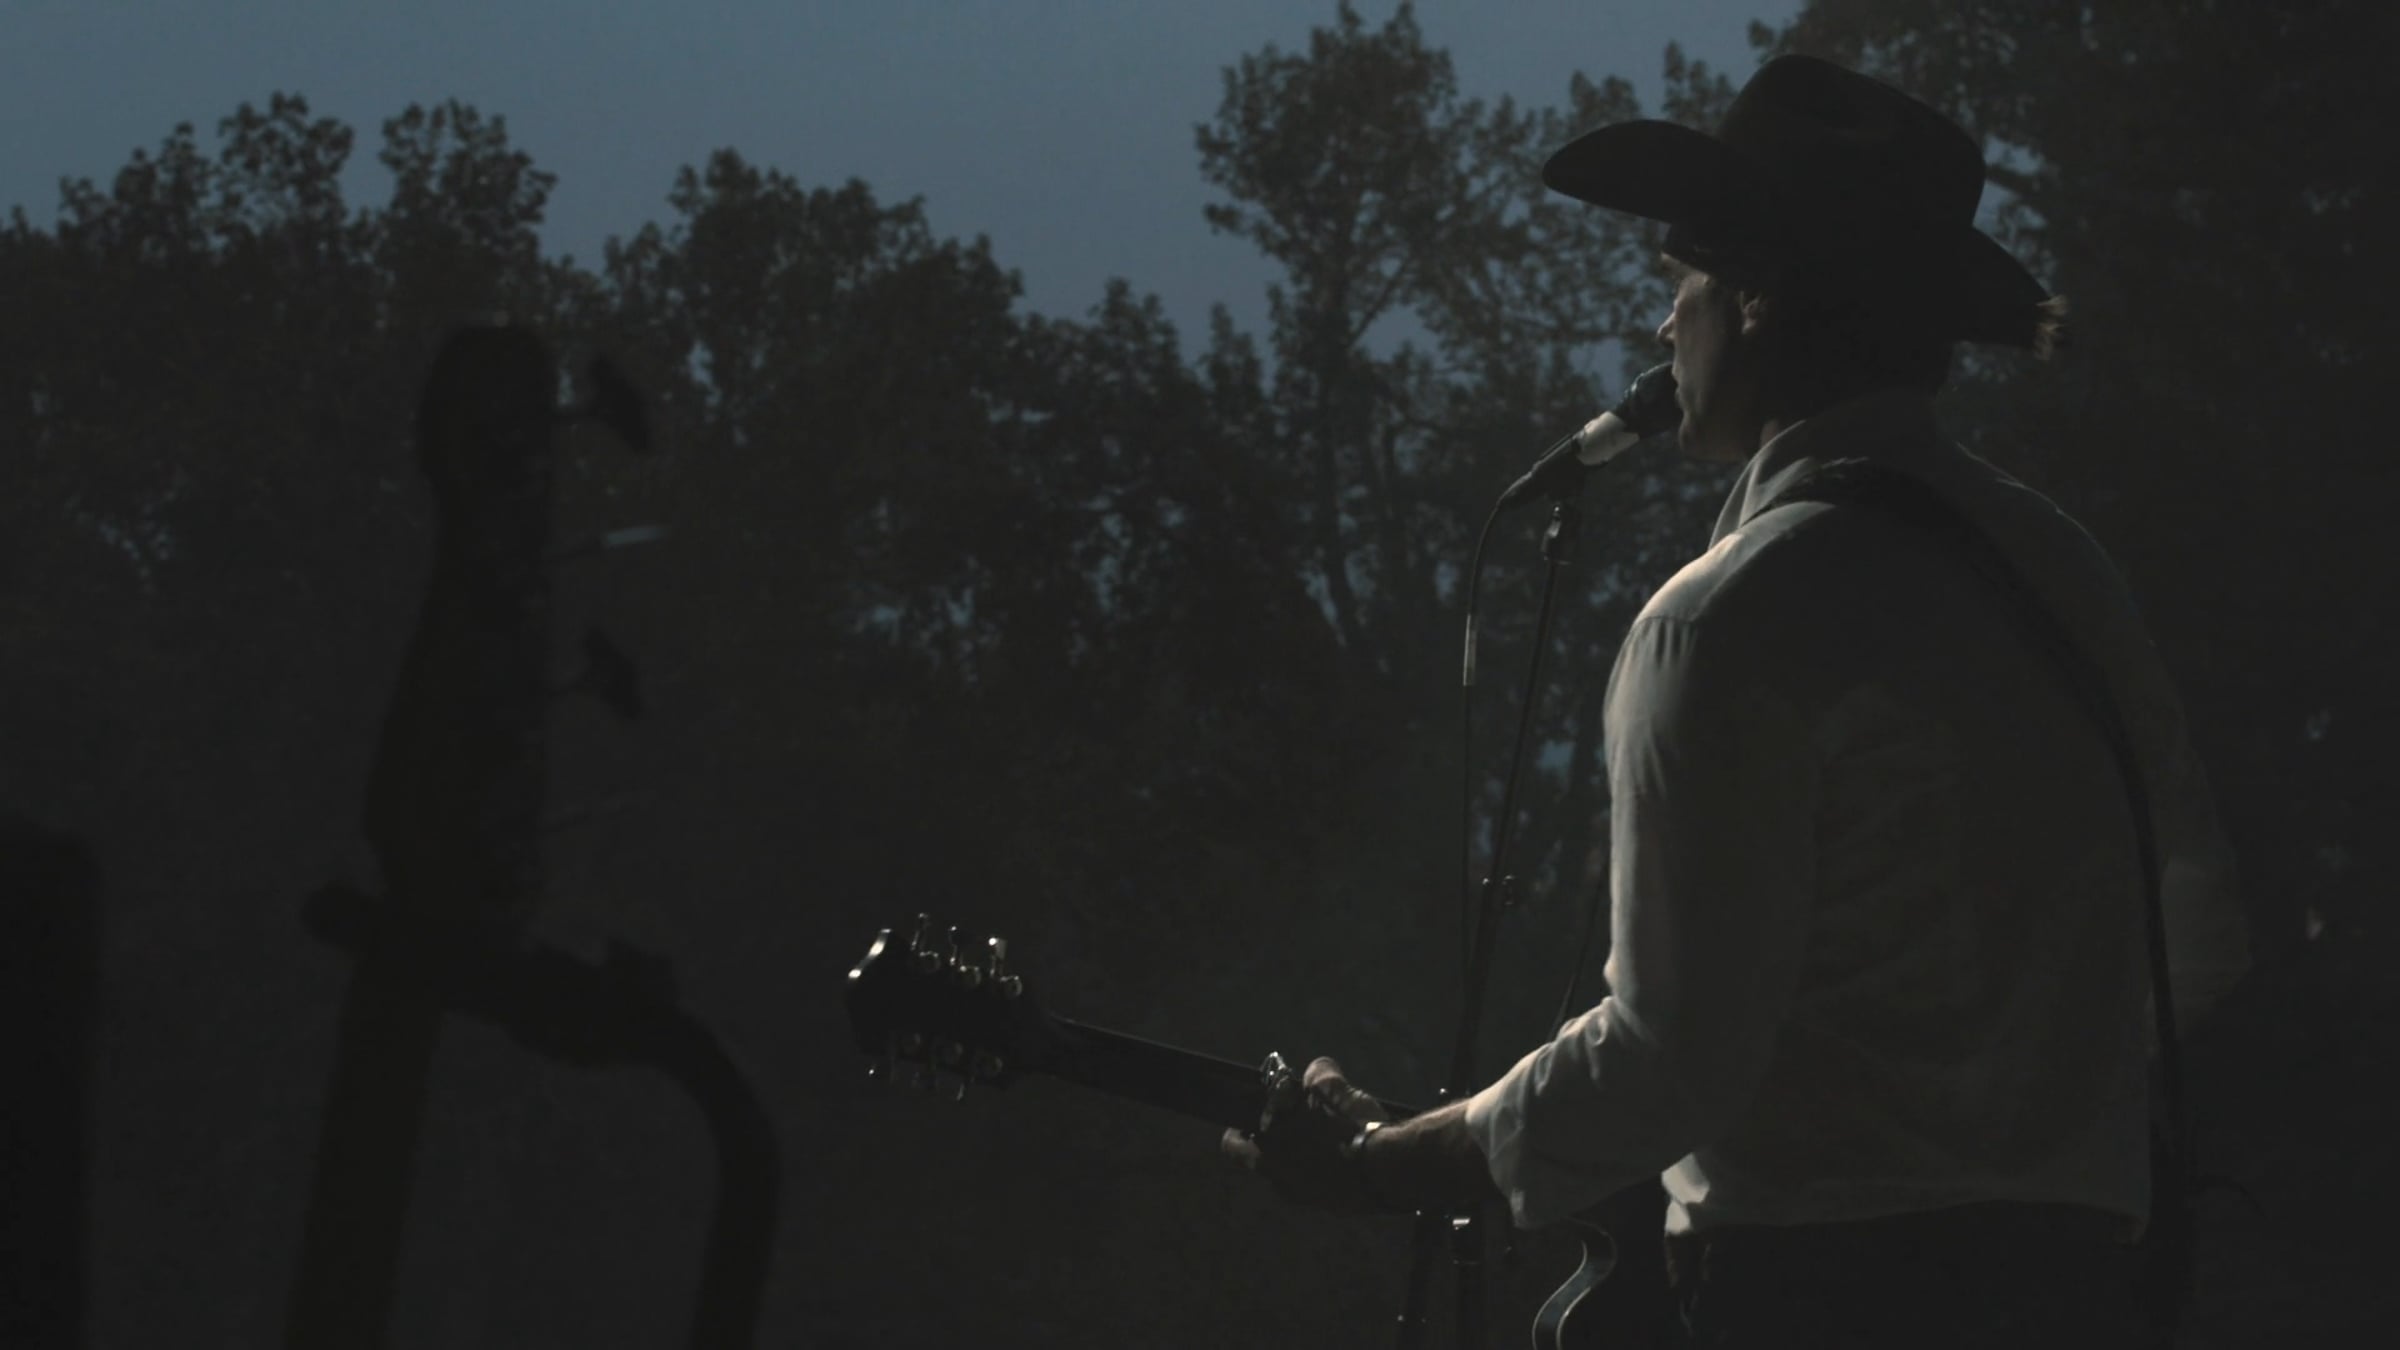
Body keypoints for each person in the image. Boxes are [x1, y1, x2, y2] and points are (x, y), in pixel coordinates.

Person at [1221, 54, 2251, 1347]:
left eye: (1680, 284)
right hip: (2090, 1291)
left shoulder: (1722, 619)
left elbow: (1667, 1060)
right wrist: (2020, 1105)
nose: (1665, 329)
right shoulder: (2067, 569)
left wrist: (1382, 1161)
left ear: (1754, 295)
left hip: (1815, 1299)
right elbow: (2203, 936)